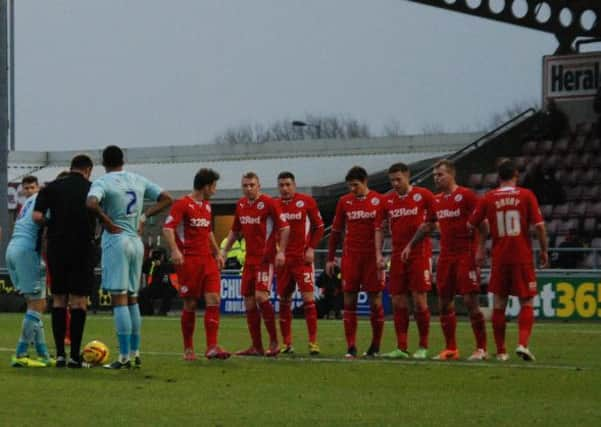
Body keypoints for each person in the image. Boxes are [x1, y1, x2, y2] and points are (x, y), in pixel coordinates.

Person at [87, 145, 172, 369]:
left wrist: (106, 221)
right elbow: (166, 198)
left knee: (119, 299)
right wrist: (144, 216)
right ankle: (135, 353)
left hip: (117, 241)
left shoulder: (102, 182)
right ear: (122, 160)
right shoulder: (138, 179)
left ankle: (123, 356)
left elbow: (91, 203)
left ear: (103, 162)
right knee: (133, 298)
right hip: (136, 241)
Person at [402, 160, 488, 360]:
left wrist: (481, 249)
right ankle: (451, 348)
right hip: (446, 256)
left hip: (466, 254)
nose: (436, 178)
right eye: (434, 175)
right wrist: (410, 245)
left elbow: (483, 224)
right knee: (443, 303)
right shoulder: (437, 200)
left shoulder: (466, 196)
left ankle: (481, 349)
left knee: (470, 301)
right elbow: (427, 226)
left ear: (451, 175)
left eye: (440, 175)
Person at [469, 158, 549, 361]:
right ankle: (522, 344)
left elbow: (472, 225)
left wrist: (480, 246)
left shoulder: (488, 198)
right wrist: (544, 251)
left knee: (499, 304)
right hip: (521, 256)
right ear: (516, 175)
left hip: (500, 257)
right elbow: (539, 226)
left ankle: (502, 352)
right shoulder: (526, 195)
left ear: (499, 177)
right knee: (527, 302)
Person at [33, 155, 96, 368]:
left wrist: (53, 223)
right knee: (79, 302)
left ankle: (60, 354)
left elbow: (37, 216)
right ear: (88, 170)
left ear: (70, 168)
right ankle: (75, 356)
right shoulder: (92, 187)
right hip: (82, 247)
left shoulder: (52, 187)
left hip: (57, 247)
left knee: (59, 300)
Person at [163, 168, 231, 360]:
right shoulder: (182, 204)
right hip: (189, 260)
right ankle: (188, 349)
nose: (215, 191)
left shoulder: (207, 207)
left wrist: (217, 252)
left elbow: (208, 231)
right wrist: (175, 250)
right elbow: (168, 228)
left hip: (207, 260)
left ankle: (212, 347)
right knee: (191, 303)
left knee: (214, 299)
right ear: (206, 186)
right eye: (214, 187)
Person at [221, 171, 290, 357]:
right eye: (245, 185)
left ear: (259, 186)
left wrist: (281, 252)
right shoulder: (241, 205)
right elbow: (235, 231)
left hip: (265, 259)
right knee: (249, 303)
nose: (249, 188)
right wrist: (224, 251)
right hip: (249, 262)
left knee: (261, 297)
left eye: (252, 185)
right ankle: (257, 346)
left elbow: (285, 228)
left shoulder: (269, 203)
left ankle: (274, 342)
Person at [374, 163, 434, 360]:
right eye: (392, 180)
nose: (395, 183)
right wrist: (378, 254)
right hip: (398, 255)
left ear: (408, 176)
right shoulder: (387, 200)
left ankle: (423, 346)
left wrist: (412, 244)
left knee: (419, 300)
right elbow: (379, 228)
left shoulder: (423, 195)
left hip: (419, 254)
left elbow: (432, 223)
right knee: (398, 300)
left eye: (399, 179)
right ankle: (401, 347)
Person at [326, 166, 384, 359]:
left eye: (356, 185)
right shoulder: (344, 202)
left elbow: (384, 230)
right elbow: (335, 232)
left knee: (375, 301)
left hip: (371, 258)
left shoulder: (378, 200)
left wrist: (380, 255)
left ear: (365, 182)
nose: (352, 189)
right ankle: (351, 346)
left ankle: (375, 346)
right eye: (350, 186)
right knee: (348, 300)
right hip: (351, 257)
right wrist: (330, 258)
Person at [274, 171, 324, 355]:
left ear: (294, 185)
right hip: (283, 261)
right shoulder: (275, 205)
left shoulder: (306, 202)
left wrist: (311, 248)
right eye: (281, 185)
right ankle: (287, 343)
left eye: (288, 184)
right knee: (284, 300)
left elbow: (319, 227)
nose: (285, 188)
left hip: (302, 260)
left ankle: (313, 342)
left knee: (308, 300)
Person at [7, 176, 53, 367]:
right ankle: (20, 353)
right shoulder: (45, 198)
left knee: (35, 305)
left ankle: (43, 354)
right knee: (37, 304)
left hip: (13, 249)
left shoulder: (29, 202)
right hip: (27, 252)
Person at [140, 248, 177, 315]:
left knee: (169, 291)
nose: (158, 256)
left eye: (159, 254)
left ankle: (163, 311)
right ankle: (148, 311)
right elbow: (144, 269)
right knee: (143, 293)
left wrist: (161, 264)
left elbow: (172, 268)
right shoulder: (152, 263)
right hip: (155, 287)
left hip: (167, 287)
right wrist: (150, 259)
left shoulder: (168, 264)